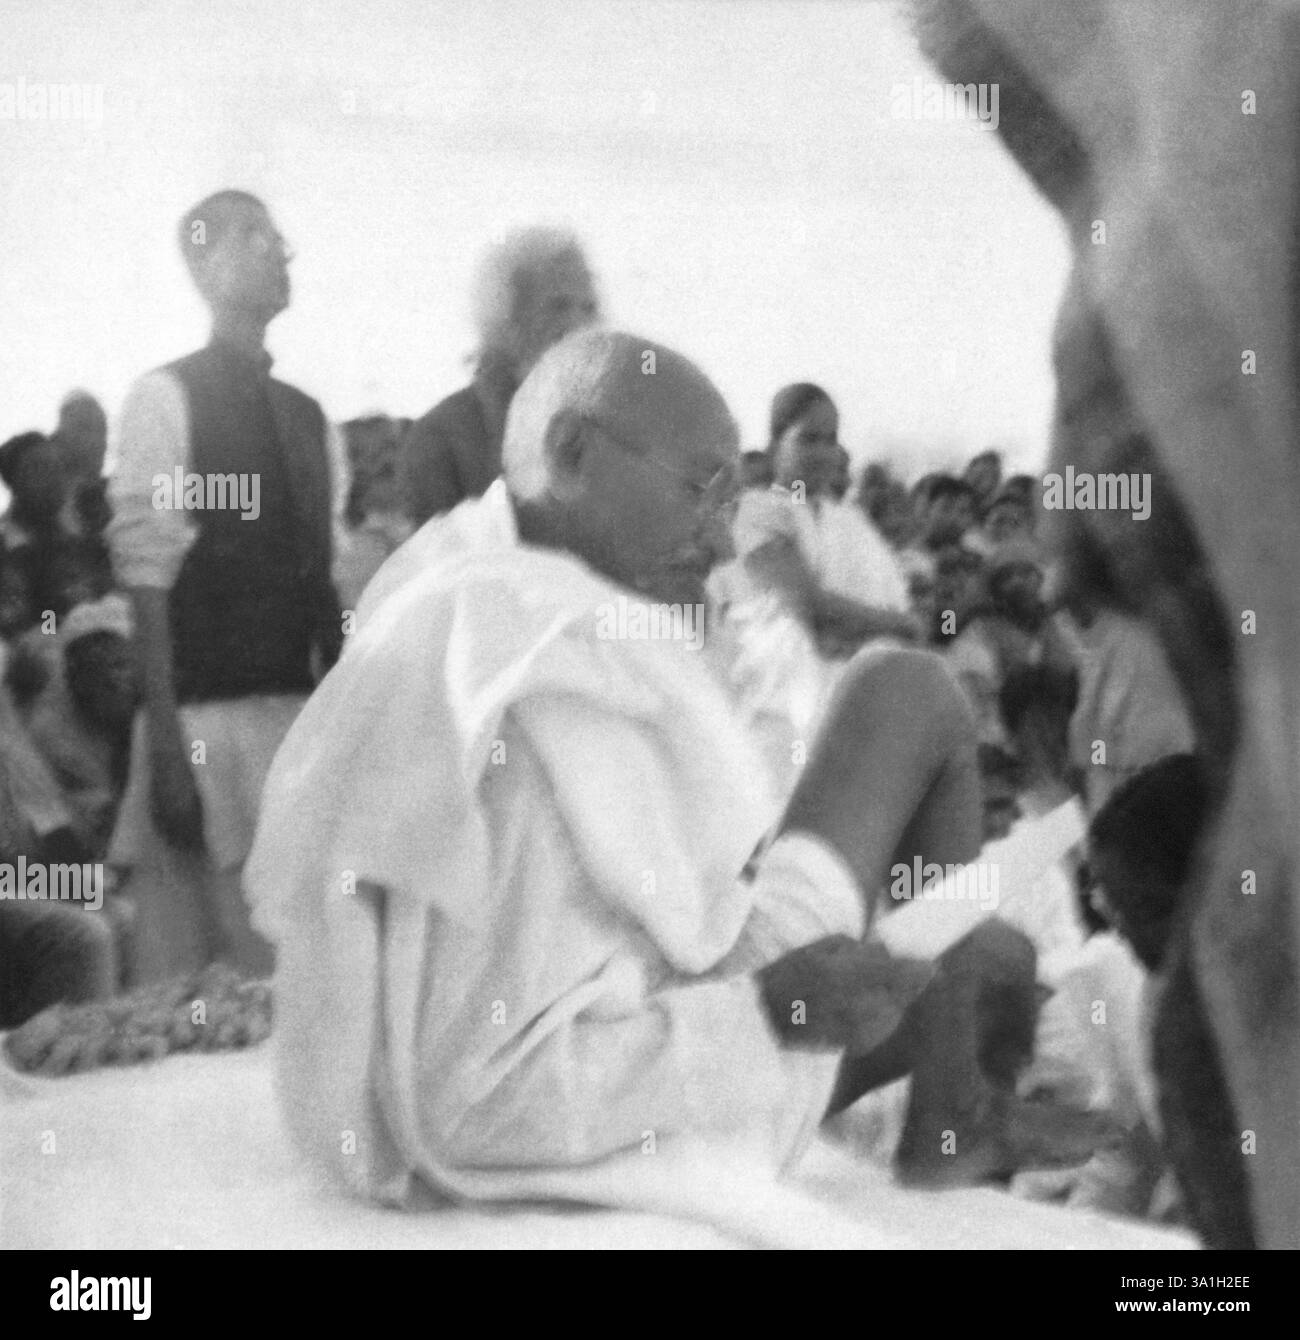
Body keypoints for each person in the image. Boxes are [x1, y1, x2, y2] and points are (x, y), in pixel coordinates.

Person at [246, 331, 1112, 1210]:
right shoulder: (522, 664)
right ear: (572, 454)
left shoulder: (467, 587)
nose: (719, 546)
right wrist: (775, 1010)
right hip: (676, 1092)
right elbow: (472, 1105)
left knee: (991, 951)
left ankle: (950, 1112)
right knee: (913, 701)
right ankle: (951, 1118)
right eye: (701, 490)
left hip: (682, 1009)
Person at [106, 189, 344, 982]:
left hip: (293, 731)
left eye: (277, 234)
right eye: (252, 235)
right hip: (199, 731)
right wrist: (170, 752)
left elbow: (324, 588)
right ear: (202, 266)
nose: (280, 249)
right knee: (188, 991)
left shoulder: (309, 418)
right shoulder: (162, 398)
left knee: (293, 983)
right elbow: (148, 583)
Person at [398, 226, 601, 524]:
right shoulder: (441, 438)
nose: (578, 324)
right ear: (506, 316)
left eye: (589, 308)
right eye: (558, 306)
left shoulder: (611, 429)